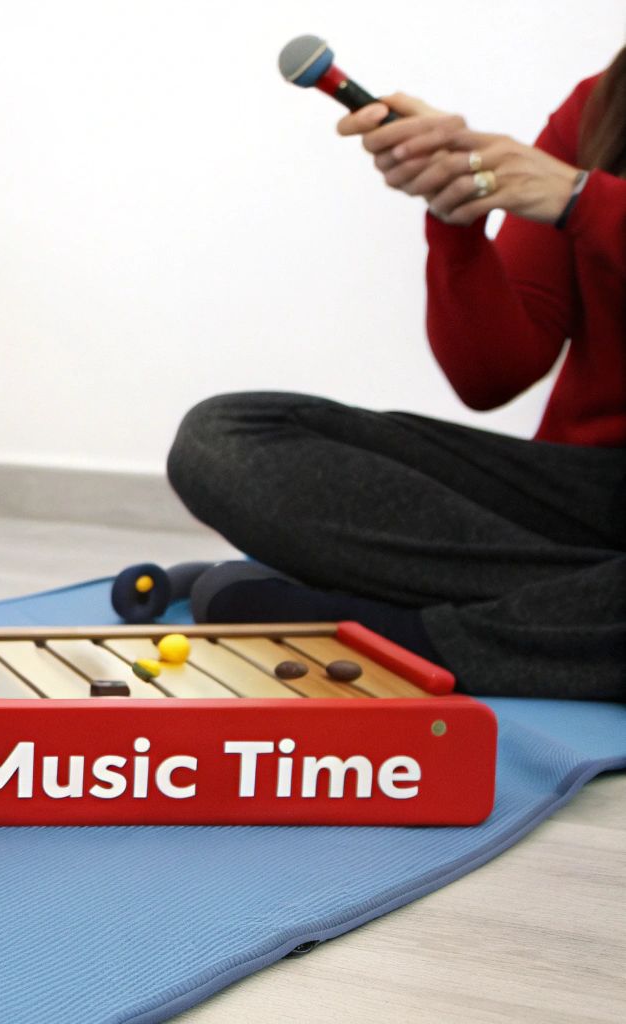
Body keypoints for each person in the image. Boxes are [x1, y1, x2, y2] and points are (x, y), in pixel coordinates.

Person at [167, 51, 626, 702]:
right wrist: (457, 218)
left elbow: (589, 206)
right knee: (225, 437)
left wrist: (587, 201)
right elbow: (492, 374)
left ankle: (394, 632)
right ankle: (574, 612)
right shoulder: (602, 106)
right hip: (590, 496)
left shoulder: (589, 188)